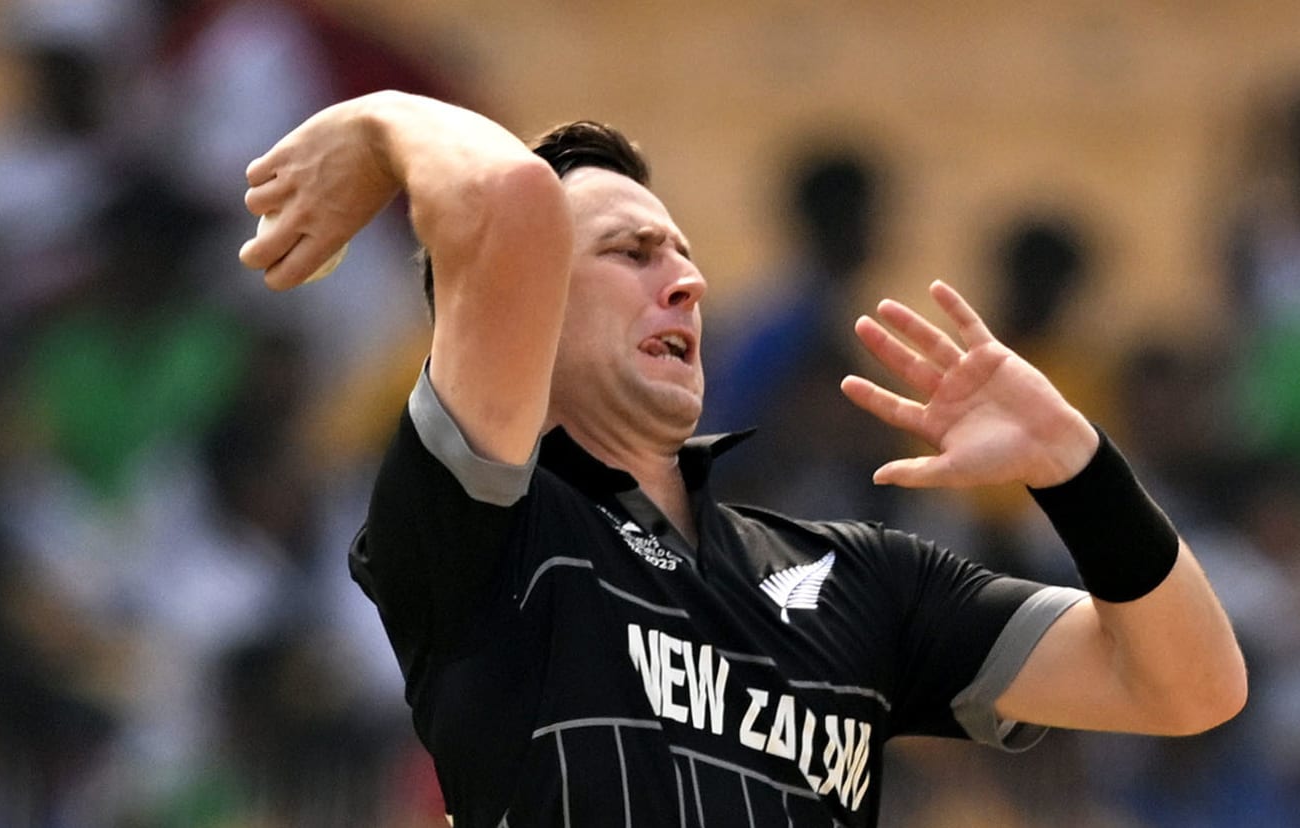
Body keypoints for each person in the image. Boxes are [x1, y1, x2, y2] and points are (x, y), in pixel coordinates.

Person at [237, 92, 1245, 827]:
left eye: (682, 256)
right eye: (631, 253)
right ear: (531, 316)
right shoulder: (487, 535)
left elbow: (1189, 685)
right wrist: (376, 126)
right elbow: (503, 204)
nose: (686, 281)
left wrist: (1078, 466)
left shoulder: (864, 578)